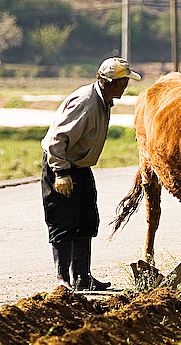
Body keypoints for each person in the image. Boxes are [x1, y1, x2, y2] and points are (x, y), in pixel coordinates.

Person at [41, 57, 141, 291]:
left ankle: (83, 278)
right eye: (122, 81)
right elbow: (57, 139)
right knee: (63, 222)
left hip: (80, 167)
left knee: (86, 221)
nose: (125, 85)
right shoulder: (85, 101)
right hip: (62, 165)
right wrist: (61, 173)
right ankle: (63, 280)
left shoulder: (104, 100)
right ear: (108, 82)